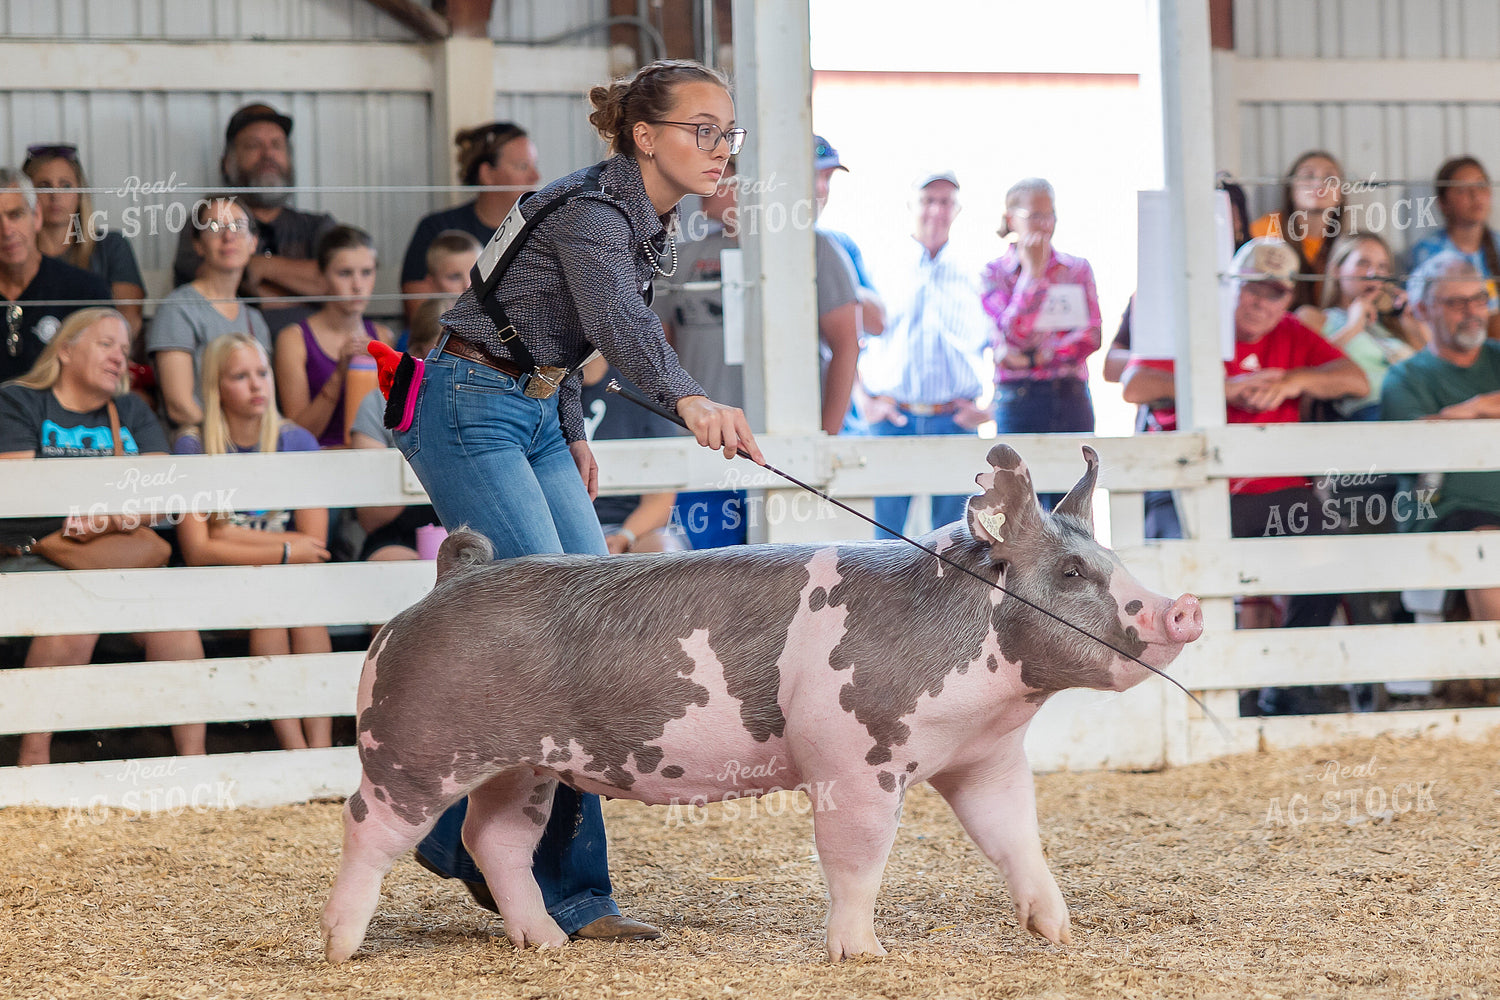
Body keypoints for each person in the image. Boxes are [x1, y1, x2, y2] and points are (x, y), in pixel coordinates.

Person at [394, 59, 763, 944]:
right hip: (467, 405)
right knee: (555, 635)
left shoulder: (642, 219)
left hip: (527, 406)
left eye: (728, 132)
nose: (720, 148)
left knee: (593, 633)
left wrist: (571, 427)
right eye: (701, 129)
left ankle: (452, 834)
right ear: (646, 136)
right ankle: (565, 891)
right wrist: (690, 399)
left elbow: (540, 318)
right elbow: (620, 329)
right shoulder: (596, 214)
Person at [1121, 237, 1367, 635]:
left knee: (1330, 551)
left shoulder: (1292, 333)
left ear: (1287, 299)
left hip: (1276, 489)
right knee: (1176, 568)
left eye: (1275, 293)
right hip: (1190, 485)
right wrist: (1227, 388)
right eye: (1252, 287)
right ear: (1230, 286)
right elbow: (1134, 386)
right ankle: (1198, 681)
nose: (1261, 303)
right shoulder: (1197, 325)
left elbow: (1357, 380)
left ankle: (1289, 683)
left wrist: (1293, 380)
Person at [0, 308, 205, 765]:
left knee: (176, 628)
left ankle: (195, 764)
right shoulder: (20, 401)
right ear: (66, 349)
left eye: (125, 349)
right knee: (74, 612)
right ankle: (34, 762)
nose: (120, 357)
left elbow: (161, 496)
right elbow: (15, 495)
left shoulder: (132, 409)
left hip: (115, 559)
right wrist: (115, 510)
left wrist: (99, 518)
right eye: (106, 344)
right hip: (41, 560)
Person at [172, 332, 332, 749]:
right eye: (240, 376)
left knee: (305, 615)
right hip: (222, 583)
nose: (257, 384)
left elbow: (314, 545)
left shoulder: (296, 441)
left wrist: (226, 531)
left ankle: (319, 751)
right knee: (270, 611)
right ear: (216, 387)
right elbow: (199, 550)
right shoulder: (193, 446)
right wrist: (281, 548)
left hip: (286, 580)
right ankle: (294, 752)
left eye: (262, 373)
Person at [857, 170, 990, 537]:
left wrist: (990, 410)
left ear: (957, 209)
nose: (936, 210)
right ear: (911, 206)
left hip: (954, 421)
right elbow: (850, 334)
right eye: (928, 200)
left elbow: (1003, 340)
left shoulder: (976, 274)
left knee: (956, 542)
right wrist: (864, 401)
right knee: (883, 544)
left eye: (946, 201)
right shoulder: (880, 267)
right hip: (891, 421)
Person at [982, 176, 1101, 509]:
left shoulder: (1076, 270)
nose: (1044, 225)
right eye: (1034, 216)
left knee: (1073, 504)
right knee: (1019, 507)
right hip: (1019, 401)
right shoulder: (993, 274)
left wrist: (1033, 358)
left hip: (1070, 396)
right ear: (1011, 219)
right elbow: (1007, 338)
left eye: (1050, 215)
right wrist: (1032, 276)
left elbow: (1090, 335)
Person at [172, 104, 337, 334]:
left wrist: (260, 266)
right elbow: (217, 286)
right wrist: (307, 295)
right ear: (226, 164)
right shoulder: (203, 222)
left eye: (276, 145)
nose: (268, 154)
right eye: (253, 146)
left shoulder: (319, 226)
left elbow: (339, 286)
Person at [651, 158, 748, 547]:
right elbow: (659, 343)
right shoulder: (683, 253)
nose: (709, 185)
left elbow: (844, 340)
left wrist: (828, 428)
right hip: (700, 434)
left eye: (723, 177)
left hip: (771, 434)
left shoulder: (805, 252)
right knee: (705, 559)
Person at [149, 196, 272, 435]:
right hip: (198, 447)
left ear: (253, 242)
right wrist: (235, 440)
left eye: (238, 226)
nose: (228, 236)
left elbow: (266, 402)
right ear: (198, 244)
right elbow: (180, 407)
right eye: (214, 227)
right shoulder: (178, 309)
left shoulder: (254, 320)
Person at [399, 122, 540, 325]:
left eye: (535, 165)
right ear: (487, 174)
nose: (535, 176)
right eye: (522, 166)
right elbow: (421, 317)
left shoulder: (540, 232)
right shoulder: (437, 228)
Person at [274, 225, 394, 448]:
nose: (358, 285)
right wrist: (339, 374)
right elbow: (298, 436)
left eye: (366, 272)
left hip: (374, 461)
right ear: (322, 278)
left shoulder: (384, 336)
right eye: (345, 273)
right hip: (317, 464)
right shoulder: (294, 339)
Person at [348, 296, 449, 561]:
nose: (455, 368)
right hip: (398, 533)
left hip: (468, 531)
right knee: (390, 560)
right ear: (415, 354)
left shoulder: (485, 405)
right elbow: (371, 516)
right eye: (443, 354)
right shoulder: (376, 403)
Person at [1296, 233, 1426, 420]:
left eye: (1382, 267)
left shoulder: (1395, 325)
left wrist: (1415, 325)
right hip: (1368, 410)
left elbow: (1434, 372)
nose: (1373, 274)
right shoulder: (1315, 317)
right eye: (1363, 263)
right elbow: (1303, 374)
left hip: (1417, 406)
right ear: (1336, 269)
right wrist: (1353, 327)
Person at [22, 144, 146, 338]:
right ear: (27, 197)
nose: (56, 195)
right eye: (44, 186)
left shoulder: (111, 246)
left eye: (66, 185)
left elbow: (128, 321)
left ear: (80, 192)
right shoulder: (14, 254)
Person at [0, 168, 112, 383]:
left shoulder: (85, 291)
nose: (6, 231)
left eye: (16, 215)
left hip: (65, 415)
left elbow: (103, 378)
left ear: (37, 217)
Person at [579, 355, 689, 553]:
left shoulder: (641, 391)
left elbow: (660, 498)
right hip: (563, 527)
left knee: (664, 552)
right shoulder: (542, 392)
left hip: (631, 526)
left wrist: (624, 537)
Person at [1407, 156, 1500, 339]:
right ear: (1443, 204)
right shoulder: (1428, 251)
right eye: (1462, 189)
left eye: (1481, 186)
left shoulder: (1497, 245)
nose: (1475, 195)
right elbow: (1420, 316)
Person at [1250, 150, 1344, 308]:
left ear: (1341, 193)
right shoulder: (1266, 231)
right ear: (1291, 189)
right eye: (1308, 176)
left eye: (1329, 178)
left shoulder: (1346, 244)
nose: (1319, 184)